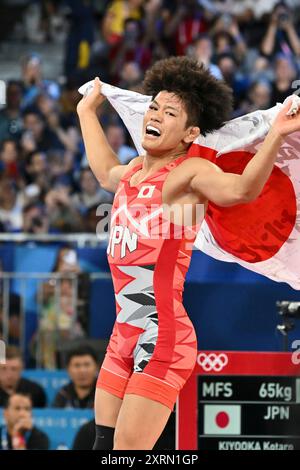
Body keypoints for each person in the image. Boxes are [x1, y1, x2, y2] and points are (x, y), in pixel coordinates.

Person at [77, 55, 300, 450]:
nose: (156, 115)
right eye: (154, 107)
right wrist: (86, 111)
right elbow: (102, 170)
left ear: (190, 132)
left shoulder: (188, 175)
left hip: (164, 336)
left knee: (127, 456)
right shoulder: (129, 174)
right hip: (122, 334)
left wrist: (276, 135)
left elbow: (243, 190)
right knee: (102, 448)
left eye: (170, 113)